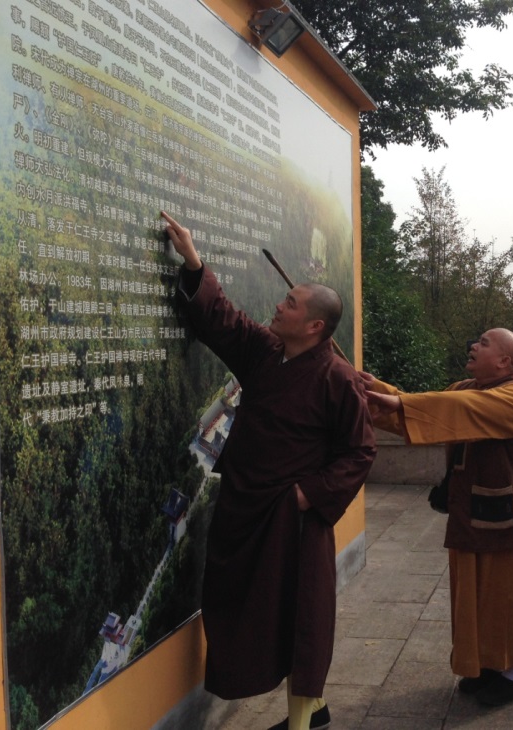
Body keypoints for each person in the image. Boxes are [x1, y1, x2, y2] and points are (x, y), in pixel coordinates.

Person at [161, 211, 377, 730]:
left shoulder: (337, 379)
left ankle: (304, 717)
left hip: (292, 516)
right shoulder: (266, 351)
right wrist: (193, 262)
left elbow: (359, 452)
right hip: (246, 505)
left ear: (314, 326)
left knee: (301, 616)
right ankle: (314, 709)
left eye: (289, 304)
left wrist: (308, 495)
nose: (278, 307)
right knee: (239, 607)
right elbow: (223, 320)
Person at [362, 328, 513, 707]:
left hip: (507, 518)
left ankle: (512, 676)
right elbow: (422, 412)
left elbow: (454, 410)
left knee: (505, 599)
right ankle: (484, 667)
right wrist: (370, 387)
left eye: (483, 343)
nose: (472, 346)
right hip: (469, 512)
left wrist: (401, 403)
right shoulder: (465, 385)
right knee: (472, 597)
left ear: (504, 362)